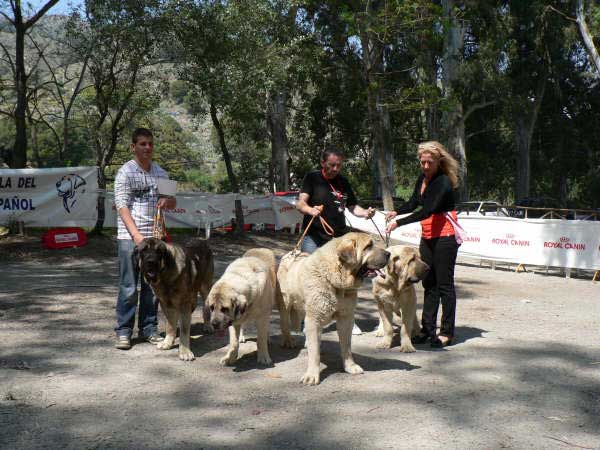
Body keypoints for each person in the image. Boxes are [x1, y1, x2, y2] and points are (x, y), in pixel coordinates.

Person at [385, 141, 460, 348]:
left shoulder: (443, 182)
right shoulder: (422, 178)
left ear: (438, 161)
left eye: (430, 162)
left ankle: (446, 333)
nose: (425, 166)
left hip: (445, 236)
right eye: (422, 162)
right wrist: (397, 211)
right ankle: (427, 329)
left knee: (444, 284)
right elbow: (413, 203)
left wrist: (398, 223)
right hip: (428, 236)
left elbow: (427, 210)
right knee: (429, 283)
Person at [296, 146, 376, 335]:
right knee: (310, 278)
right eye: (331, 165)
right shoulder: (312, 178)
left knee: (345, 279)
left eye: (338, 165)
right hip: (314, 237)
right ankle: (306, 322)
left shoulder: (343, 182)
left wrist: (365, 213)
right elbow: (300, 203)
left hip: (339, 240)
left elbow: (353, 207)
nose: (335, 169)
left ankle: (347, 318)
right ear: (323, 163)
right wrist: (310, 210)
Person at [113, 127, 176, 350]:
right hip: (130, 237)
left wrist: (168, 201)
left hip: (155, 239)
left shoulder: (161, 173)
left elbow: (173, 201)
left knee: (153, 286)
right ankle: (124, 331)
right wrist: (137, 236)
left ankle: (149, 328)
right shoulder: (125, 173)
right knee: (129, 287)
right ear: (133, 147)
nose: (147, 147)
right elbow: (121, 206)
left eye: (150, 143)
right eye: (142, 144)